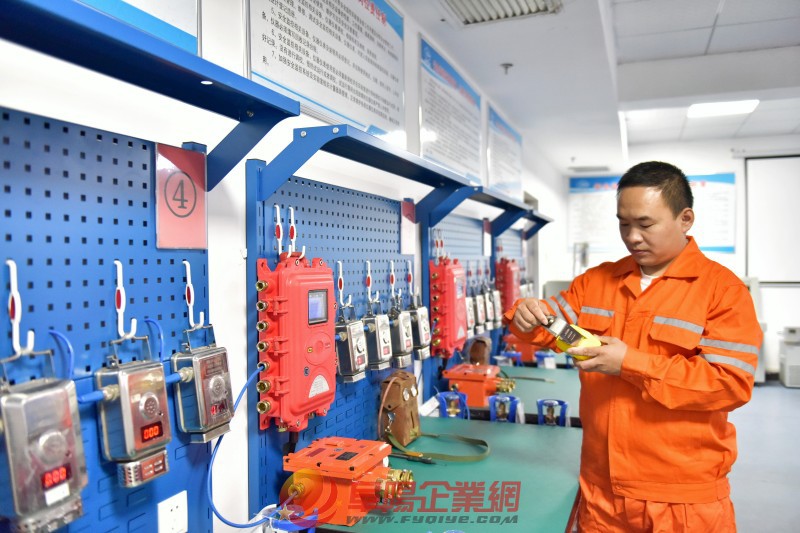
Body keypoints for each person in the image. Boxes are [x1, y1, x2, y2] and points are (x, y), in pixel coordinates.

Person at [504, 161, 762, 532]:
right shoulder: (598, 281)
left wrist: (630, 363)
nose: (632, 237)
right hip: (602, 492)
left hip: (682, 497)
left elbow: (728, 384)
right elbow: (550, 327)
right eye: (623, 224)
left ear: (685, 219)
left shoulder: (723, 292)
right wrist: (526, 315)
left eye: (645, 224)